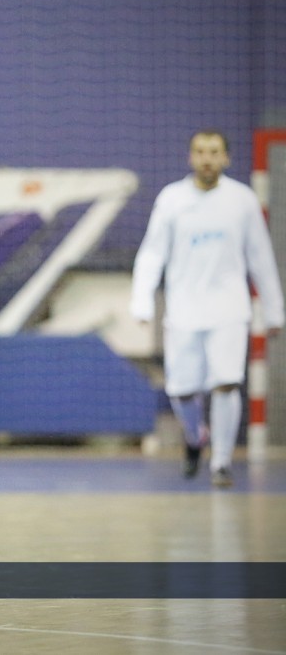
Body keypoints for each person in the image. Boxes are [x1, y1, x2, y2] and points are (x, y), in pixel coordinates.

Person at [131, 130, 283, 487]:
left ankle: (222, 463)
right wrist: (141, 300)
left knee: (227, 383)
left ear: (226, 158)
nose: (207, 159)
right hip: (183, 311)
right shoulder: (171, 199)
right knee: (182, 390)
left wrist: (274, 310)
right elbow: (153, 252)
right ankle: (195, 436)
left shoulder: (242, 200)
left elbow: (260, 257)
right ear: (191, 157)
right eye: (200, 152)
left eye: (214, 152)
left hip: (230, 310)